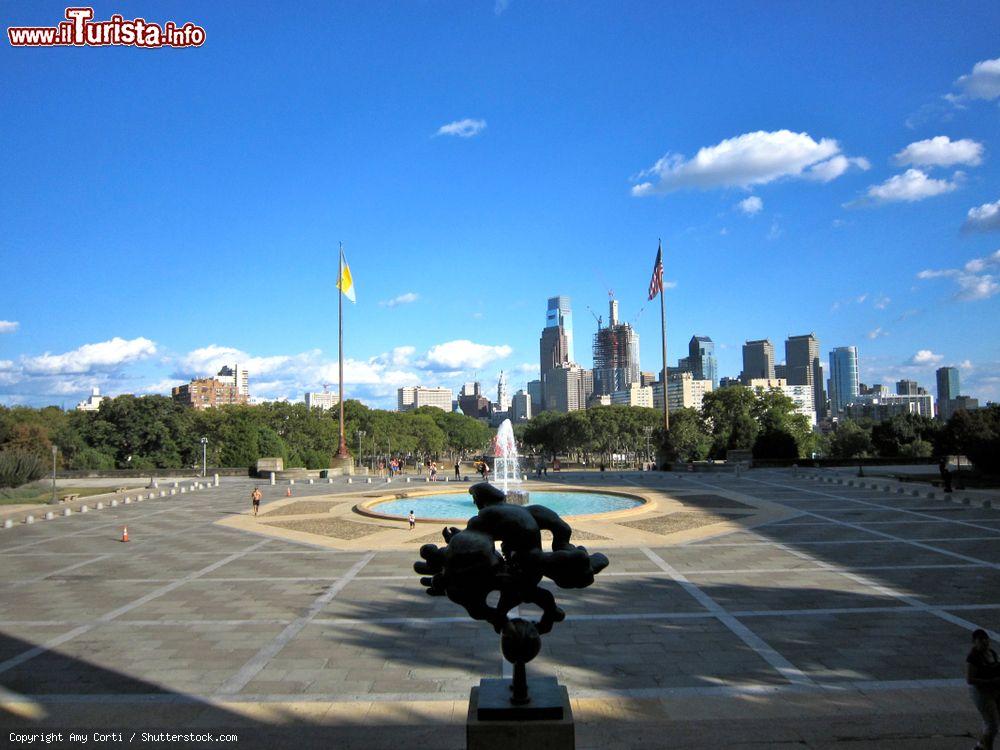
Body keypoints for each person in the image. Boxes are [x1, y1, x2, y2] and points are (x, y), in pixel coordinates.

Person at [967, 628, 1000, 750]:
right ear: (975, 642)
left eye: (986, 639)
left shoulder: (992, 653)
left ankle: (980, 746)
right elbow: (970, 679)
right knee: (992, 726)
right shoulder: (973, 658)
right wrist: (990, 681)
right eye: (981, 640)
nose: (985, 642)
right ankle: (986, 747)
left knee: (991, 723)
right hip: (982, 693)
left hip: (996, 691)